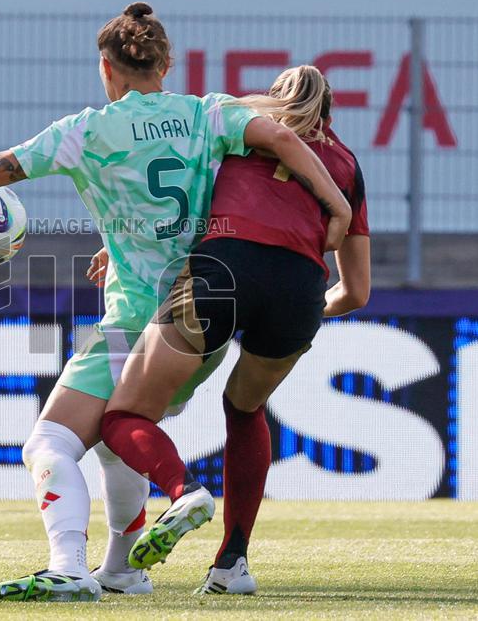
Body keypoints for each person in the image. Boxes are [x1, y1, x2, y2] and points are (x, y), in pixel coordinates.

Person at [0, 3, 351, 602]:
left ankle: (68, 565)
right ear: (167, 63)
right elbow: (271, 138)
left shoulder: (86, 131)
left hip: (140, 316)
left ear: (105, 68)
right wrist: (335, 204)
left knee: (49, 443)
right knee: (123, 435)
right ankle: (122, 569)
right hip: (205, 313)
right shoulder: (205, 113)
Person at [99, 65, 370, 594]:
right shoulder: (348, 166)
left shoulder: (237, 126)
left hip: (223, 270)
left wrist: (119, 246)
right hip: (301, 289)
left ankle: (184, 491)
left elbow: (175, 199)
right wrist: (309, 309)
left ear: (274, 98)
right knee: (244, 409)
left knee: (123, 416)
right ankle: (232, 564)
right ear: (331, 112)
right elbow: (357, 292)